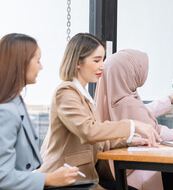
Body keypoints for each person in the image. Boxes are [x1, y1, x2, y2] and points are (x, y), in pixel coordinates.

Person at [39, 33, 160, 190]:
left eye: (102, 60)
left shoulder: (83, 95)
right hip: (65, 179)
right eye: (96, 61)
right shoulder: (66, 92)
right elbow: (89, 132)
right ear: (77, 62)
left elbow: (96, 141)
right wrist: (132, 124)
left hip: (85, 177)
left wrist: (127, 141)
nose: (102, 65)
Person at [95, 49, 173, 190]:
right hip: (136, 171)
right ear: (129, 71)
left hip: (117, 168)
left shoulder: (112, 95)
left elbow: (142, 112)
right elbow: (157, 133)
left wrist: (171, 98)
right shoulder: (126, 101)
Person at [0, 33, 78, 190]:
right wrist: (48, 179)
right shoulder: (7, 112)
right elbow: (3, 177)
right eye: (37, 61)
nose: (41, 67)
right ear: (21, 64)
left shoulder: (17, 103)